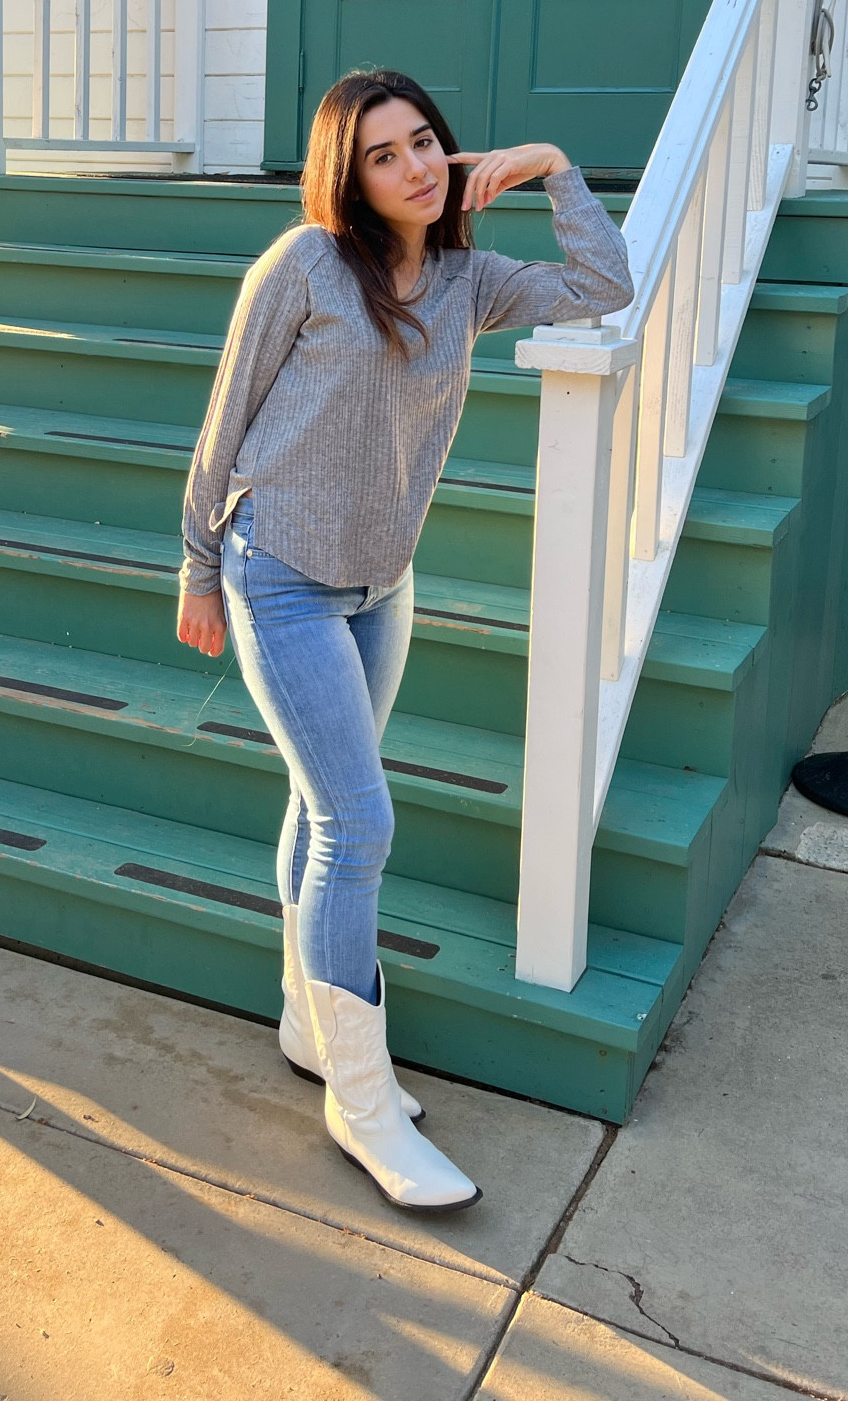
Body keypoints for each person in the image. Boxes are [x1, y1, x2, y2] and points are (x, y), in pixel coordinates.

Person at [177, 69, 633, 1212]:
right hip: (275, 572)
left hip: (381, 583)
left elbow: (602, 284)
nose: (417, 165)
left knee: (320, 807)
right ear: (349, 171)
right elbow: (223, 421)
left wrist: (550, 167)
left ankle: (306, 1023)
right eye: (385, 153)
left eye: (426, 140)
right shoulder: (306, 266)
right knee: (356, 819)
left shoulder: (471, 279)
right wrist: (195, 568)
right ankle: (363, 1101)